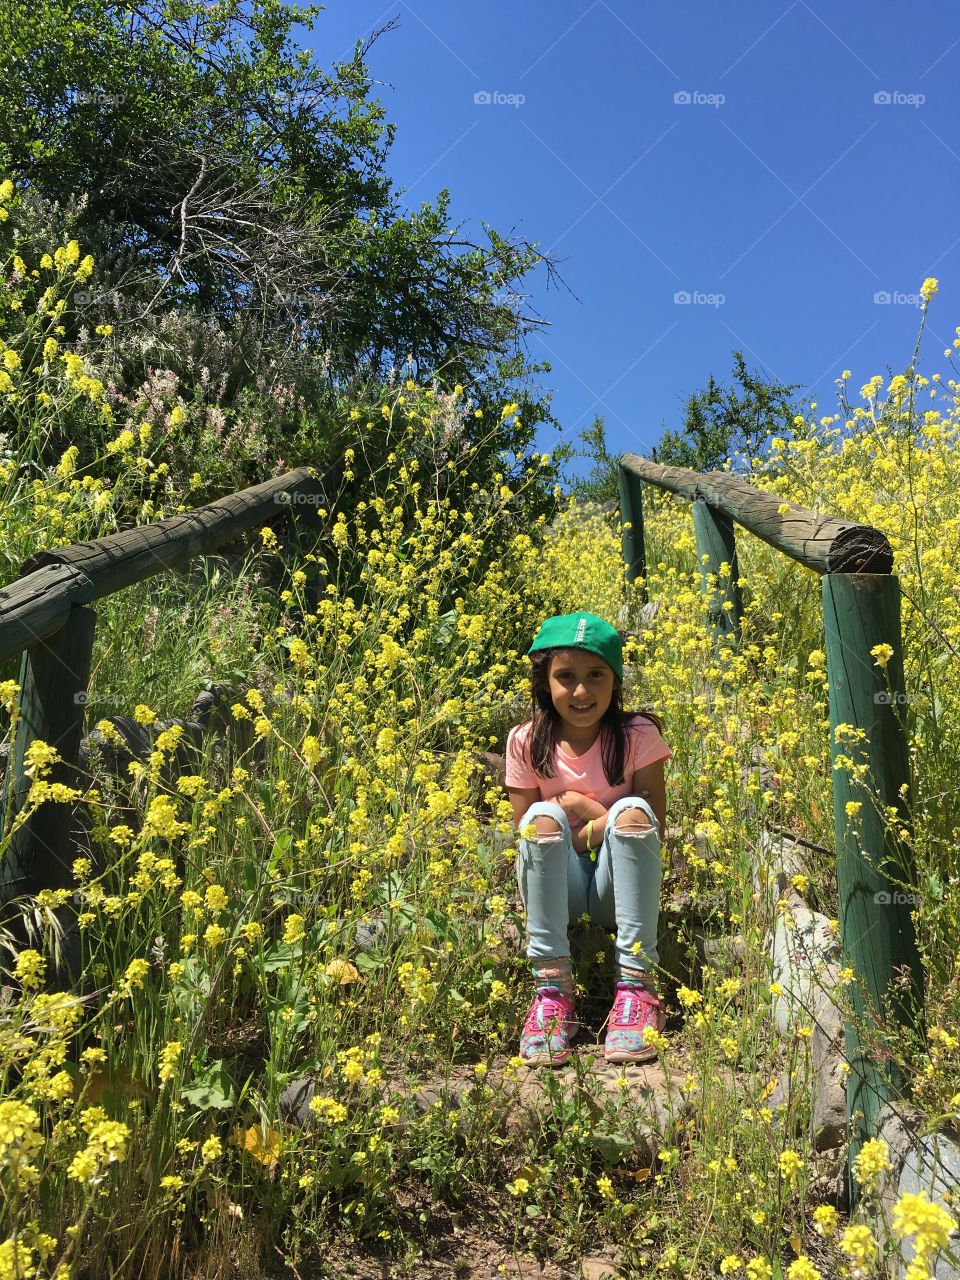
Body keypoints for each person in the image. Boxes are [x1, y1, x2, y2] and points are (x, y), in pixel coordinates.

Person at [505, 611, 671, 1066]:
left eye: (596, 675)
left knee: (630, 812)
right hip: (562, 889)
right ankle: (552, 991)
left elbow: (650, 826)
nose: (581, 691)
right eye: (566, 677)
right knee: (541, 815)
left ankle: (638, 988)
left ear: (615, 681)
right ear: (546, 681)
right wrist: (588, 823)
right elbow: (530, 836)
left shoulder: (638, 735)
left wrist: (584, 809)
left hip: (616, 890)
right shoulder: (525, 740)